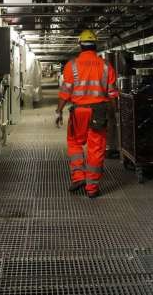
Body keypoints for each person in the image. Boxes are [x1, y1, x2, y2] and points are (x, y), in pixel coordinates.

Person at [55, 29, 118, 198]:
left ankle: (78, 177)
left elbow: (65, 93)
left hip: (79, 112)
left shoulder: (72, 65)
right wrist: (113, 115)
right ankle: (92, 188)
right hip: (99, 111)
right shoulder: (106, 66)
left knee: (74, 142)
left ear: (80, 45)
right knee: (95, 148)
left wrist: (58, 111)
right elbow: (112, 95)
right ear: (95, 46)